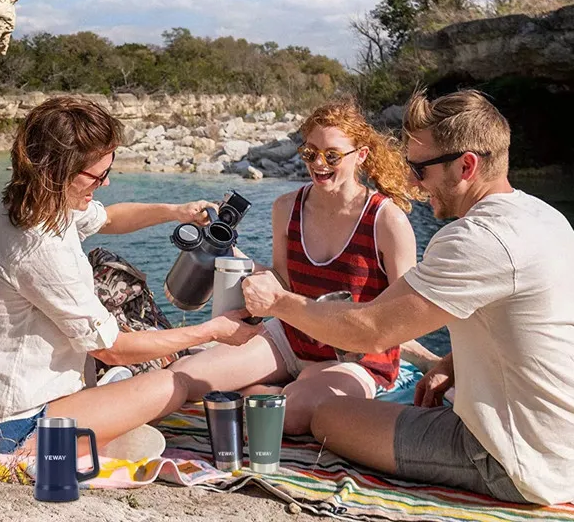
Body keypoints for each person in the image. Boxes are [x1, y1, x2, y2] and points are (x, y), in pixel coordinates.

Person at [241, 89, 574, 505]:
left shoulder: (476, 238)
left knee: (327, 416)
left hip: (522, 461)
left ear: (466, 166)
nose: (411, 182)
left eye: (420, 169)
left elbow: (372, 331)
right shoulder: (542, 216)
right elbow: (535, 327)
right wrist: (453, 363)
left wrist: (279, 302)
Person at [0, 96, 259, 454]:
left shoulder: (25, 201)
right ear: (57, 172)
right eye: (98, 175)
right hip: (5, 426)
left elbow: (109, 219)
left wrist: (175, 211)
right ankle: (54, 446)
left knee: (140, 387)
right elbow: (113, 350)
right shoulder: (39, 246)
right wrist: (212, 330)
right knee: (172, 386)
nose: (105, 183)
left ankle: (97, 422)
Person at [165, 99, 437, 435]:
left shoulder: (387, 221)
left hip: (356, 358)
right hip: (290, 338)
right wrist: (228, 255)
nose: (319, 164)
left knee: (287, 414)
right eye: (310, 153)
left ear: (361, 155)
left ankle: (271, 391)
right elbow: (282, 279)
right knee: (184, 378)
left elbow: (403, 313)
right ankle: (272, 388)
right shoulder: (286, 207)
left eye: (332, 156)